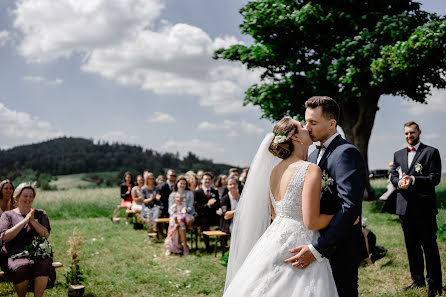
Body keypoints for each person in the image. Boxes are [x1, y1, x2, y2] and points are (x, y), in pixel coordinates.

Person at [224, 118, 338, 296]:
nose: (306, 127)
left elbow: (275, 215)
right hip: (300, 241)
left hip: (275, 237)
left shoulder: (274, 172)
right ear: (295, 138)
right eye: (301, 126)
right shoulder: (310, 169)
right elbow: (311, 222)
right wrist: (340, 214)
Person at [285, 96, 365, 297]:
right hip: (313, 238)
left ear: (331, 124)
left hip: (340, 246)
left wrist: (317, 249)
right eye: (306, 122)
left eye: (313, 122)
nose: (307, 128)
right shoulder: (312, 156)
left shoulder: (346, 153)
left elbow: (350, 208)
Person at [390, 121, 442, 297]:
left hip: (424, 209)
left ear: (419, 132)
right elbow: (393, 176)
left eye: (412, 133)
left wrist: (413, 179)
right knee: (411, 247)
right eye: (406, 134)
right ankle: (417, 279)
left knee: (429, 247)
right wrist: (399, 183)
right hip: (404, 208)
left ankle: (434, 285)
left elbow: (435, 178)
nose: (409, 136)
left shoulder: (431, 152)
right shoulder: (398, 154)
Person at [0, 183, 52, 297]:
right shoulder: (7, 215)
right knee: (22, 266)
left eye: (31, 196)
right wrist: (24, 221)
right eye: (25, 196)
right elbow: (5, 237)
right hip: (13, 255)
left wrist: (33, 221)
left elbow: (45, 235)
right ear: (17, 197)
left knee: (44, 263)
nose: (28, 199)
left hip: (35, 253)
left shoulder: (40, 213)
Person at [194, 172, 220, 252]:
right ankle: (207, 247)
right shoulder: (197, 192)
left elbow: (217, 205)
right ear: (202, 180)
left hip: (212, 215)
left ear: (212, 181)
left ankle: (224, 244)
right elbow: (197, 207)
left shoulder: (215, 192)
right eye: (205, 179)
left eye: (209, 179)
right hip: (201, 216)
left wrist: (213, 207)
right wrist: (208, 205)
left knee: (223, 220)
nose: (207, 181)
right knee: (205, 223)